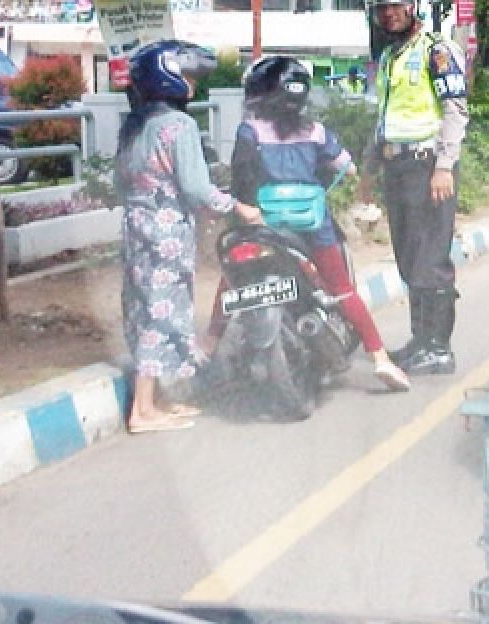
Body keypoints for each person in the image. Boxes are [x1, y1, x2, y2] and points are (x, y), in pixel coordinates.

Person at [204, 56, 410, 392]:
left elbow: (241, 175)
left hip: (261, 225)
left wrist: (246, 208)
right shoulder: (316, 132)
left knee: (232, 279)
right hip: (313, 227)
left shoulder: (249, 130)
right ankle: (381, 359)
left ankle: (209, 343)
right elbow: (348, 167)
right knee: (343, 290)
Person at [117, 39, 262, 433]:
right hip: (167, 231)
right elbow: (197, 188)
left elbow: (121, 182)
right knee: (159, 313)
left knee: (144, 308)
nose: (194, 85)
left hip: (137, 228)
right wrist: (238, 207)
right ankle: (142, 412)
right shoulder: (179, 126)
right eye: (189, 76)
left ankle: (158, 401)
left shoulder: (134, 127)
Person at [360, 0, 469, 375]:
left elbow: (455, 111)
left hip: (428, 168)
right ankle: (420, 340)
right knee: (408, 259)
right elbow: (385, 116)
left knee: (430, 260)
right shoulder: (389, 58)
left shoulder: (435, 50)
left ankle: (439, 347)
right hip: (397, 167)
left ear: (415, 7)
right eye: (381, 11)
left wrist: (445, 166)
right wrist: (368, 170)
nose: (388, 16)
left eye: (395, 8)